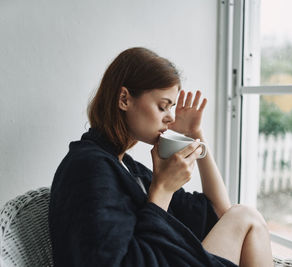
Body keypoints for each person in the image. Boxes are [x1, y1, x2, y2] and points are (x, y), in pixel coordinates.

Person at [49, 47, 273, 267]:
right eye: (163, 106)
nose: (170, 118)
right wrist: (161, 191)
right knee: (247, 217)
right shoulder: (89, 168)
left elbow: (220, 212)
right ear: (124, 99)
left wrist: (195, 136)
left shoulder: (127, 166)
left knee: (244, 216)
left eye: (172, 107)